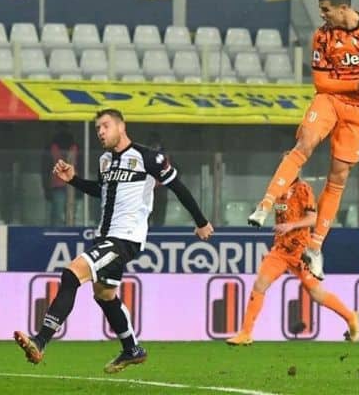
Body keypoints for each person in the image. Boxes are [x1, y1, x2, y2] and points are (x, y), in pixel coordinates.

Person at [15, 108, 214, 373]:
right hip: (105, 236)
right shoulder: (105, 161)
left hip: (125, 238)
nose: (100, 132)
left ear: (121, 126)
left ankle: (40, 341)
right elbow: (103, 191)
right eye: (97, 128)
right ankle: (132, 349)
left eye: (105, 126)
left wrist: (201, 222)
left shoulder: (148, 157)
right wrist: (73, 179)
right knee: (105, 295)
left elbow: (177, 186)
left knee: (71, 275)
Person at [248, 0, 359, 280]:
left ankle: (316, 247)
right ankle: (265, 205)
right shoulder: (322, 36)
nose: (322, 15)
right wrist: (354, 86)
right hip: (331, 100)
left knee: (339, 175)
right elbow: (321, 84)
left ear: (343, 8)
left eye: (326, 10)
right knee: (304, 144)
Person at [227, 172, 359, 345]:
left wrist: (291, 225)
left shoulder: (303, 190)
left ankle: (350, 317)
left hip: (301, 250)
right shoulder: (278, 189)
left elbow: (313, 219)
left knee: (316, 293)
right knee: (260, 284)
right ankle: (245, 333)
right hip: (280, 250)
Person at [42, 122, 80, 226]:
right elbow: (46, 168)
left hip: (65, 184)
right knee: (64, 214)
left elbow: (45, 169)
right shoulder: (74, 146)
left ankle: (62, 233)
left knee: (62, 214)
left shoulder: (74, 146)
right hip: (60, 184)